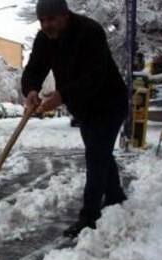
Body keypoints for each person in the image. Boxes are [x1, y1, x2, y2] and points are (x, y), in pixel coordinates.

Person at [21, 0, 129, 239]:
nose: (46, 25)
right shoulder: (44, 39)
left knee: (95, 155)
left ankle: (89, 217)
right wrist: (30, 89)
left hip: (109, 102)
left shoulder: (90, 32)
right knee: (98, 150)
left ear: (65, 15)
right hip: (83, 107)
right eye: (42, 20)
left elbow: (94, 75)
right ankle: (115, 195)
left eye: (51, 19)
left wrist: (61, 96)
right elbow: (34, 68)